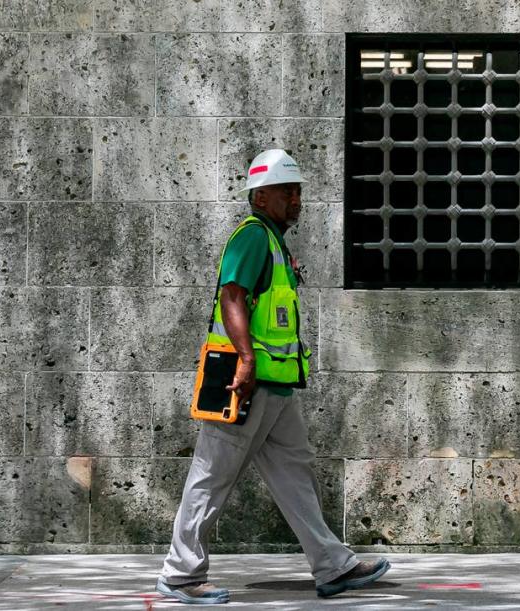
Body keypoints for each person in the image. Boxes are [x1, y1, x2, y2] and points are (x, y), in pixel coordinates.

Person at [156, 149, 390, 605]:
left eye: (298, 190)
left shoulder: (275, 244)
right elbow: (232, 297)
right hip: (245, 380)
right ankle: (180, 574)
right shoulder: (251, 237)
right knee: (212, 475)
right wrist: (245, 360)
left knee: (295, 476)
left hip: (276, 386)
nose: (296, 199)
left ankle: (333, 566)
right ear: (261, 197)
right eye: (287, 191)